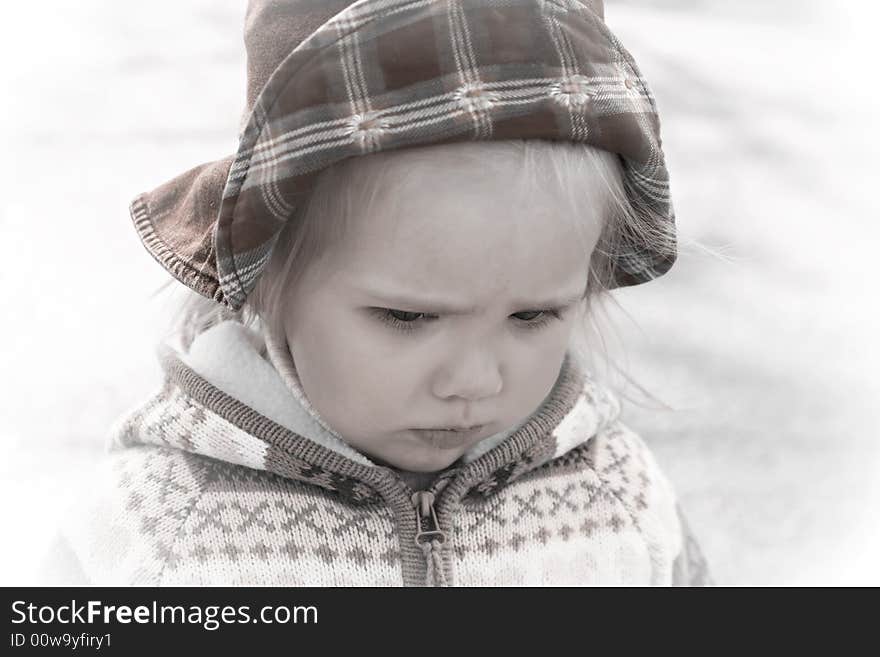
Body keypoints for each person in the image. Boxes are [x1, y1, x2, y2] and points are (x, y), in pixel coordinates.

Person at [45, 0, 711, 586]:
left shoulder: (619, 502)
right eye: (409, 316)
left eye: (532, 314)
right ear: (268, 277)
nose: (473, 381)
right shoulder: (161, 526)